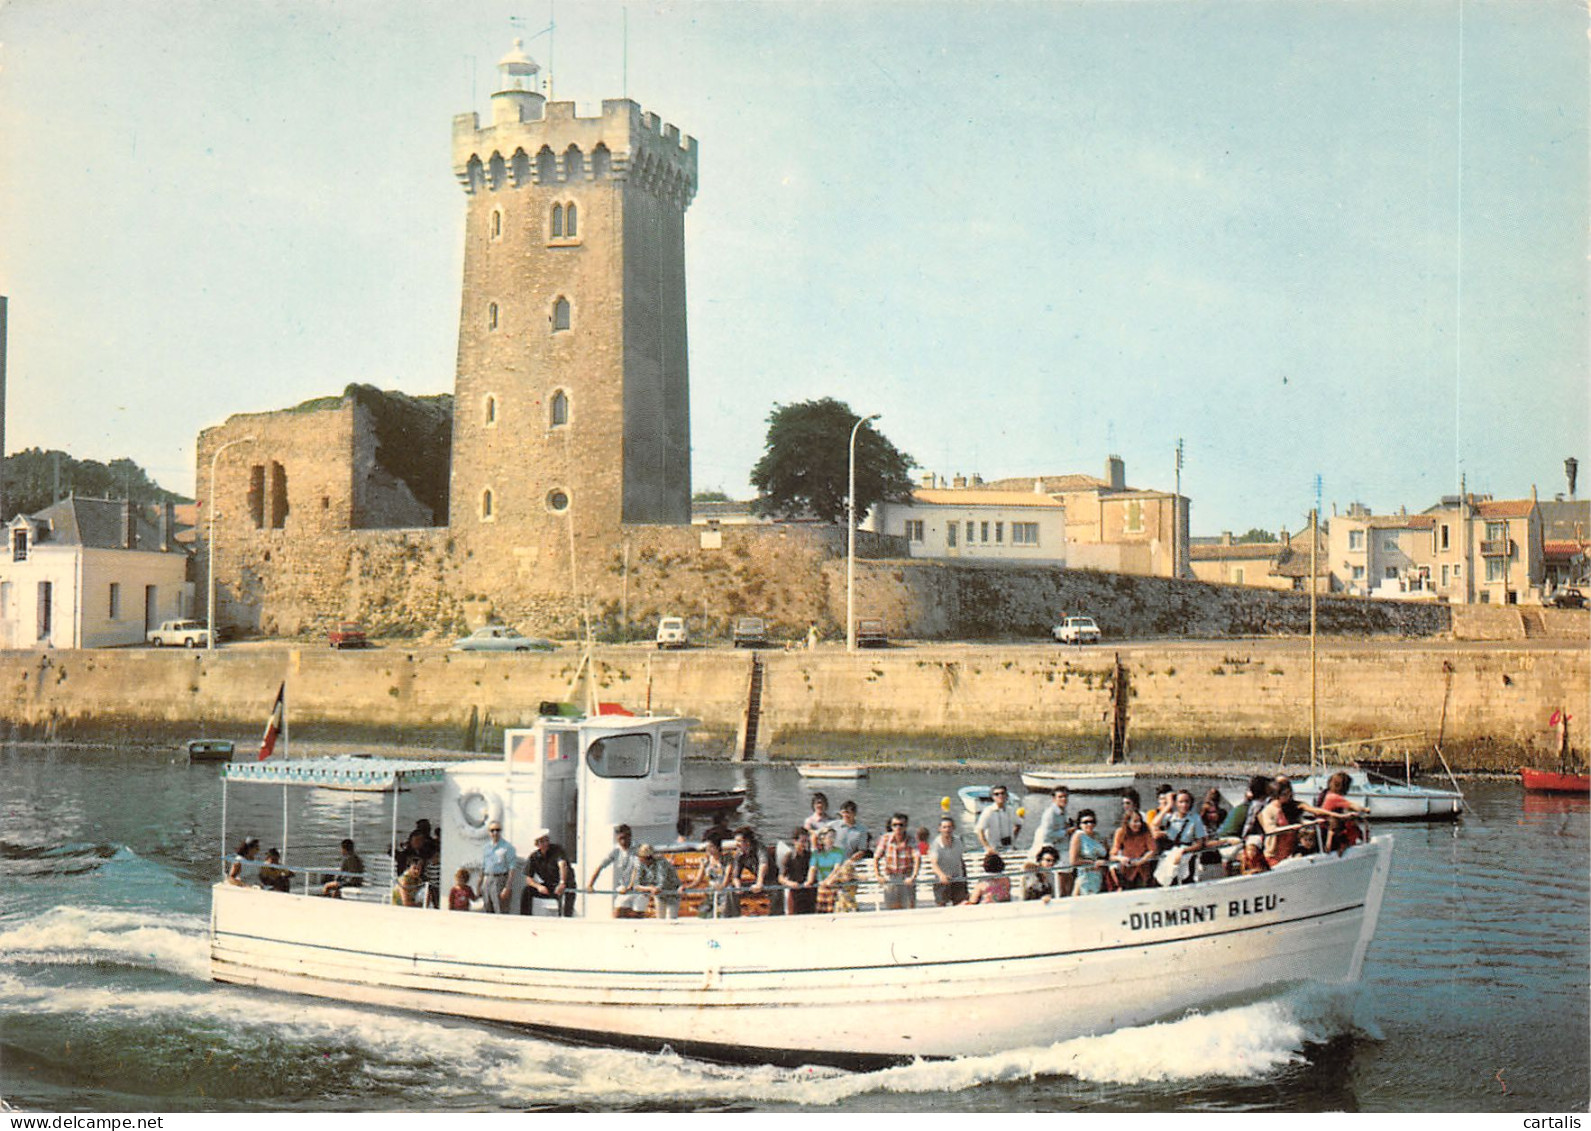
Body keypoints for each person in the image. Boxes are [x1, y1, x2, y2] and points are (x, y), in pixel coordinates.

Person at [588, 824, 648, 919]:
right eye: (620, 838)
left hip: (639, 888)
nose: (623, 841)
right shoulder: (616, 851)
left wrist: (630, 886)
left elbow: (637, 869)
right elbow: (600, 866)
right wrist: (590, 885)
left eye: (625, 838)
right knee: (617, 914)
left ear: (630, 836)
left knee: (637, 916)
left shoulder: (638, 849)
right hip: (624, 887)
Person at [1157, 790, 1209, 884]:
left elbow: (1200, 843)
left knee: (1187, 881)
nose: (1184, 805)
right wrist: (1168, 806)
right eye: (1181, 802)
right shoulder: (1170, 817)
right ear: (1176, 803)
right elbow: (1154, 824)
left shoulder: (1195, 818)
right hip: (1170, 853)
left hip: (1186, 854)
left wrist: (1184, 851)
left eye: (1187, 802)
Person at [873, 812, 919, 910]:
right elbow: (876, 857)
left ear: (906, 826)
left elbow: (917, 858)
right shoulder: (885, 838)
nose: (898, 827)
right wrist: (878, 875)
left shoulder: (911, 839)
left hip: (906, 877)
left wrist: (913, 876)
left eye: (901, 825)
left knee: (909, 907)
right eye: (895, 825)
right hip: (891, 877)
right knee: (891, 908)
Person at [522, 829, 572, 917]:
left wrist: (562, 883)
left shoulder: (557, 850)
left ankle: (566, 919)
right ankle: (525, 918)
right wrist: (539, 886)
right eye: (541, 841)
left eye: (546, 840)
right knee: (527, 891)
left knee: (566, 903)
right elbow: (528, 879)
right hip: (549, 885)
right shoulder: (534, 857)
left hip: (564, 884)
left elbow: (562, 865)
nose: (545, 843)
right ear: (537, 844)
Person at [1317, 771, 1370, 853]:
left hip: (1323, 826)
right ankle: (1347, 843)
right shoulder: (1334, 797)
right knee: (1350, 821)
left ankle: (1358, 840)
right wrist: (1365, 809)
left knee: (1345, 819)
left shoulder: (1326, 794)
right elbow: (1353, 806)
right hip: (1327, 827)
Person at [1258, 776, 1305, 866]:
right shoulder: (1268, 810)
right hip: (1274, 855)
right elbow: (1270, 830)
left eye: (1289, 793)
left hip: (1290, 853)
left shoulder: (1288, 807)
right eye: (1285, 794)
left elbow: (1298, 821)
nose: (1288, 796)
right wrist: (1290, 828)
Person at [730, 826, 778, 915]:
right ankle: (733, 916)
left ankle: (776, 915)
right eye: (736, 841)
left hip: (771, 880)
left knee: (776, 890)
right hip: (756, 881)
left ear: (747, 842)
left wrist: (759, 883)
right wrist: (738, 887)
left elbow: (763, 864)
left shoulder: (760, 848)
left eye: (739, 841)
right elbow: (735, 876)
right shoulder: (739, 854)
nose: (737, 844)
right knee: (731, 889)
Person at [688, 837, 738, 918]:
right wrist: (688, 887)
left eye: (711, 846)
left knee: (723, 915)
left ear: (718, 847)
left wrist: (722, 886)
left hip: (725, 893)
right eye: (707, 847)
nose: (708, 849)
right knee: (703, 915)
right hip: (711, 892)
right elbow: (698, 880)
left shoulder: (727, 859)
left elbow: (728, 876)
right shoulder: (705, 861)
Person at [1110, 808, 1157, 890]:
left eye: (1139, 821)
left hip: (1143, 870)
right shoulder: (1120, 832)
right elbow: (1112, 854)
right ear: (1128, 822)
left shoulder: (1145, 831)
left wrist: (1141, 861)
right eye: (1135, 821)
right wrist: (1121, 858)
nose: (1138, 824)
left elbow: (1152, 850)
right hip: (1126, 871)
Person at [927, 815, 968, 905]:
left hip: (958, 878)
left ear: (953, 828)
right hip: (941, 880)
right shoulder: (936, 844)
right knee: (941, 904)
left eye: (949, 827)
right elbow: (934, 863)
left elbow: (960, 859)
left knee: (960, 904)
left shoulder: (958, 841)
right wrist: (942, 876)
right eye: (944, 827)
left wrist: (964, 877)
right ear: (940, 829)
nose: (947, 830)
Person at [1069, 811, 1110, 896]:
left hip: (1100, 876)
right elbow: (1073, 860)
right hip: (1085, 876)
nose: (1089, 824)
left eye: (1092, 821)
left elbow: (1108, 855)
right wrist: (1092, 863)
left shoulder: (1100, 837)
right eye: (1086, 822)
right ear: (1080, 824)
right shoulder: (1078, 836)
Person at [479, 821, 517, 914]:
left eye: (497, 830)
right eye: (492, 830)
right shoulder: (486, 848)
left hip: (500, 879)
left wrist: (507, 887)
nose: (495, 833)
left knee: (500, 910)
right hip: (487, 880)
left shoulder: (507, 847)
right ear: (489, 832)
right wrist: (479, 885)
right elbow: (483, 867)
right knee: (487, 908)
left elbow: (512, 868)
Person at [634, 844, 681, 919]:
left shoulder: (661, 863)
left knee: (671, 920)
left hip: (672, 893)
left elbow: (661, 883)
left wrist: (650, 888)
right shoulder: (641, 864)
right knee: (660, 920)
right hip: (659, 895)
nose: (639, 859)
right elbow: (636, 884)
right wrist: (649, 888)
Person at [1028, 785, 1072, 860]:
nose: (1064, 799)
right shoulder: (1050, 814)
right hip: (1049, 846)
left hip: (1060, 843)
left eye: (1065, 796)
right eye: (1060, 797)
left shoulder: (1063, 811)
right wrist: (1066, 832)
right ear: (1054, 799)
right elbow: (1047, 835)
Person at [808, 827, 845, 913]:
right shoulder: (817, 853)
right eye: (829, 837)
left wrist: (828, 881)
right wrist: (809, 880)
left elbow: (837, 869)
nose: (832, 840)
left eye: (833, 837)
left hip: (833, 883)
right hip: (821, 884)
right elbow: (812, 868)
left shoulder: (839, 852)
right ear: (823, 839)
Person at [780, 827, 817, 914]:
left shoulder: (810, 856)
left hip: (809, 890)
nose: (805, 844)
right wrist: (789, 883)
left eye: (807, 842)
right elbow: (781, 877)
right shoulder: (789, 857)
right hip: (795, 891)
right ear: (795, 841)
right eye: (802, 841)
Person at [975, 786, 1021, 852]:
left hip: (1008, 847)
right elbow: (979, 831)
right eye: (996, 794)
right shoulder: (988, 811)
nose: (1000, 796)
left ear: (1007, 795)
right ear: (993, 797)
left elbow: (1018, 824)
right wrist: (987, 847)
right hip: (993, 848)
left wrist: (1013, 838)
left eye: (1002, 793)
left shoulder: (1011, 810)